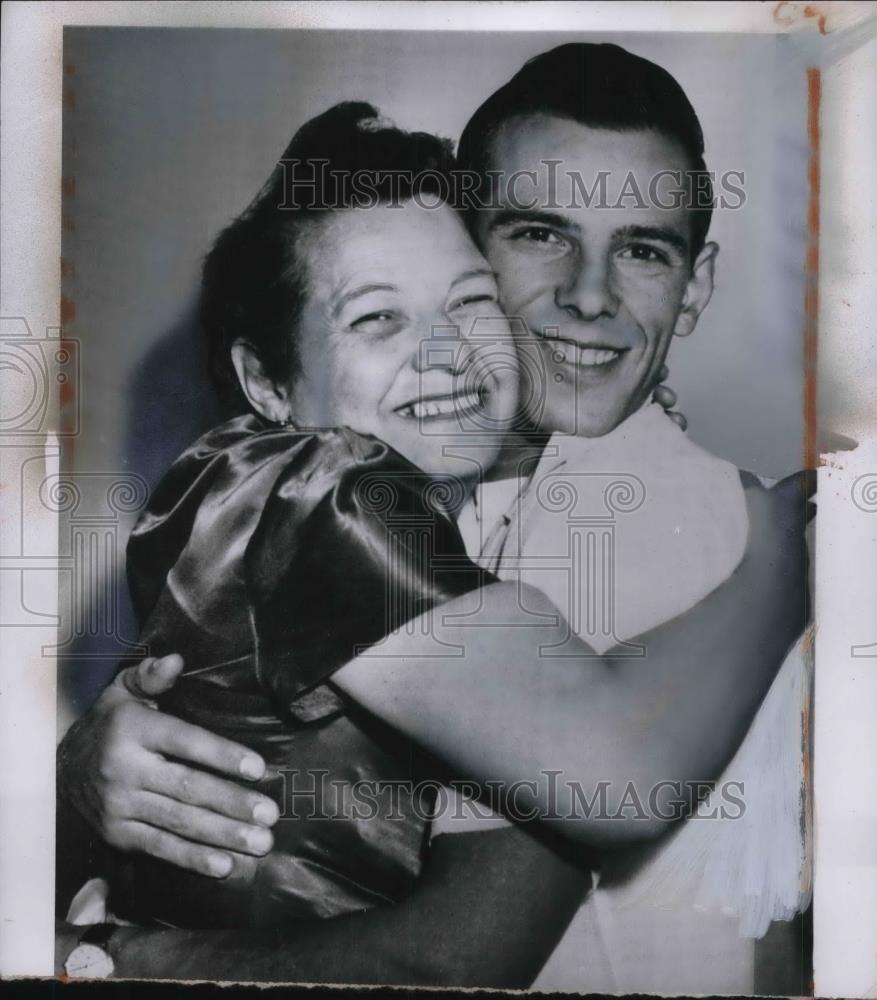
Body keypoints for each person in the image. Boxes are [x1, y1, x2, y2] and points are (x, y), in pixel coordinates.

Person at [56, 45, 811, 988]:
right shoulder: (368, 497)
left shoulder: (614, 503)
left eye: (643, 248)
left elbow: (462, 948)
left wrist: (115, 958)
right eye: (540, 234)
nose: (587, 296)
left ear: (694, 285)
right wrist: (86, 764)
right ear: (475, 238)